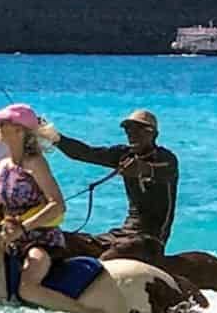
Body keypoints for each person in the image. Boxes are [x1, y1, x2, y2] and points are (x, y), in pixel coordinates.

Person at [0, 103, 100, 313]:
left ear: (19, 130)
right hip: (9, 239)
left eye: (3, 123)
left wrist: (23, 227)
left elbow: (57, 204)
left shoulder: (35, 163)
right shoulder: (5, 164)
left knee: (28, 289)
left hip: (40, 239)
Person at [41, 108, 178, 262]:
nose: (132, 133)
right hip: (122, 234)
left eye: (140, 129)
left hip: (150, 241)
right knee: (64, 241)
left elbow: (154, 169)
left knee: (106, 260)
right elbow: (85, 153)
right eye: (128, 129)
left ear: (154, 134)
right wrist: (53, 136)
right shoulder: (124, 154)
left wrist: (139, 169)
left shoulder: (167, 159)